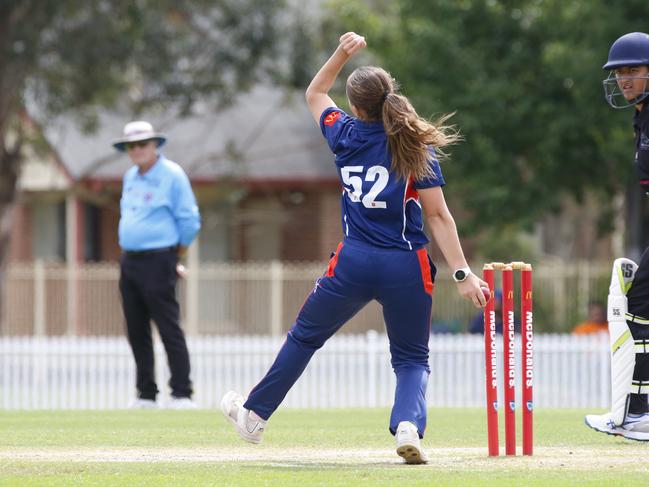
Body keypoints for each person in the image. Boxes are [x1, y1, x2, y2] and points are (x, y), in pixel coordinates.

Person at [220, 32, 487, 464]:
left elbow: (315, 92)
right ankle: (407, 426)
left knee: (304, 338)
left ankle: (254, 416)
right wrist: (463, 274)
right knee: (412, 357)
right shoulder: (415, 146)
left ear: (357, 107)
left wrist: (342, 53)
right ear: (389, 98)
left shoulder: (342, 133)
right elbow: (438, 216)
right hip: (407, 263)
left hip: (354, 262)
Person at [585, 33, 649, 441]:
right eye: (619, 72)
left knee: (639, 302)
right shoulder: (641, 116)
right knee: (640, 301)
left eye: (633, 71)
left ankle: (638, 413)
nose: (624, 79)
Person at [113, 120, 201, 409]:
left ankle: (181, 392)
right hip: (130, 260)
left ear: (155, 145)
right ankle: (146, 394)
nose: (137, 150)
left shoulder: (172, 175)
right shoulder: (130, 177)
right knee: (136, 328)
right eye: (131, 146)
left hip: (160, 258)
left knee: (167, 326)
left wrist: (175, 256)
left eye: (142, 144)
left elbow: (189, 221)